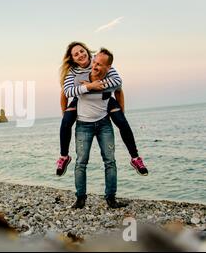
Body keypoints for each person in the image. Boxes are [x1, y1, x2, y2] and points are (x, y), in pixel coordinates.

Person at [56, 41, 148, 177]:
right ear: (72, 59)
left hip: (104, 98)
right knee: (66, 121)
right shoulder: (72, 72)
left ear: (87, 51)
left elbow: (118, 83)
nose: (80, 55)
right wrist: (89, 87)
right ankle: (64, 157)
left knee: (122, 121)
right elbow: (67, 92)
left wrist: (98, 86)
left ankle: (135, 158)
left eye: (82, 51)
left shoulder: (99, 61)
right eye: (76, 54)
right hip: (82, 100)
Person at [71, 48, 128, 209]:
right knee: (81, 162)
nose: (95, 66)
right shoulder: (79, 76)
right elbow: (66, 91)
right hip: (83, 124)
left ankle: (111, 198)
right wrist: (66, 113)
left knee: (110, 161)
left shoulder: (111, 79)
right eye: (94, 61)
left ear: (108, 67)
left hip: (104, 123)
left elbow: (119, 89)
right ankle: (80, 198)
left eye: (99, 64)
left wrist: (121, 113)